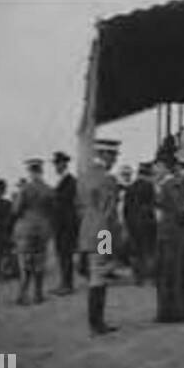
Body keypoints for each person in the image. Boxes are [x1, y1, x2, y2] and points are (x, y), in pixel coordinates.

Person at [77, 136, 121, 334]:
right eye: (113, 155)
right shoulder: (108, 179)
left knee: (96, 274)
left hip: (88, 229)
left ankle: (95, 322)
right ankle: (97, 323)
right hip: (103, 232)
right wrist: (114, 239)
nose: (115, 160)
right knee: (100, 276)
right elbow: (109, 212)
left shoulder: (86, 175)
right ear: (104, 155)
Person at [152, 138, 184, 324]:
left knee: (170, 273)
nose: (155, 170)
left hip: (171, 235)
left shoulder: (170, 184)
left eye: (157, 166)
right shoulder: (167, 184)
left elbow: (180, 209)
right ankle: (169, 310)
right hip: (167, 233)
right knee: (167, 273)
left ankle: (171, 311)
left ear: (165, 167)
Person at [11, 157, 53, 305]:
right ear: (41, 171)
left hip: (26, 229)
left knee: (25, 264)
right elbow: (52, 210)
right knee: (40, 262)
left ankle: (22, 295)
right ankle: (38, 294)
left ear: (30, 171)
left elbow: (16, 209)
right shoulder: (48, 189)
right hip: (43, 229)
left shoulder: (25, 189)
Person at [50, 151, 79, 295]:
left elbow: (65, 203)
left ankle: (67, 284)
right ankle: (64, 282)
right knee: (62, 254)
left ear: (64, 164)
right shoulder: (63, 181)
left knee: (65, 255)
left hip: (67, 224)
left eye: (57, 164)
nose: (56, 167)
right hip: (61, 224)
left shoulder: (70, 181)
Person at [124, 163, 157, 285]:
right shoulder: (149, 186)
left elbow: (126, 209)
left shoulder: (130, 187)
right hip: (147, 221)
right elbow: (153, 204)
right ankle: (152, 277)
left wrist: (127, 223)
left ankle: (138, 277)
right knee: (149, 250)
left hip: (133, 222)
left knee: (136, 250)